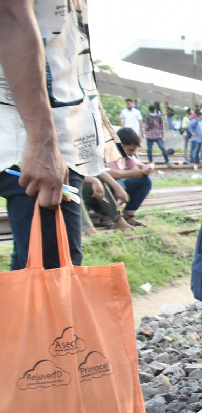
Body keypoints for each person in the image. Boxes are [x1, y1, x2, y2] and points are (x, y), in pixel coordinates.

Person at [0, 0, 107, 270]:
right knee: (52, 275)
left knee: (33, 271)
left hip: (46, 135)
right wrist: (42, 141)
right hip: (31, 139)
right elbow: (10, 16)